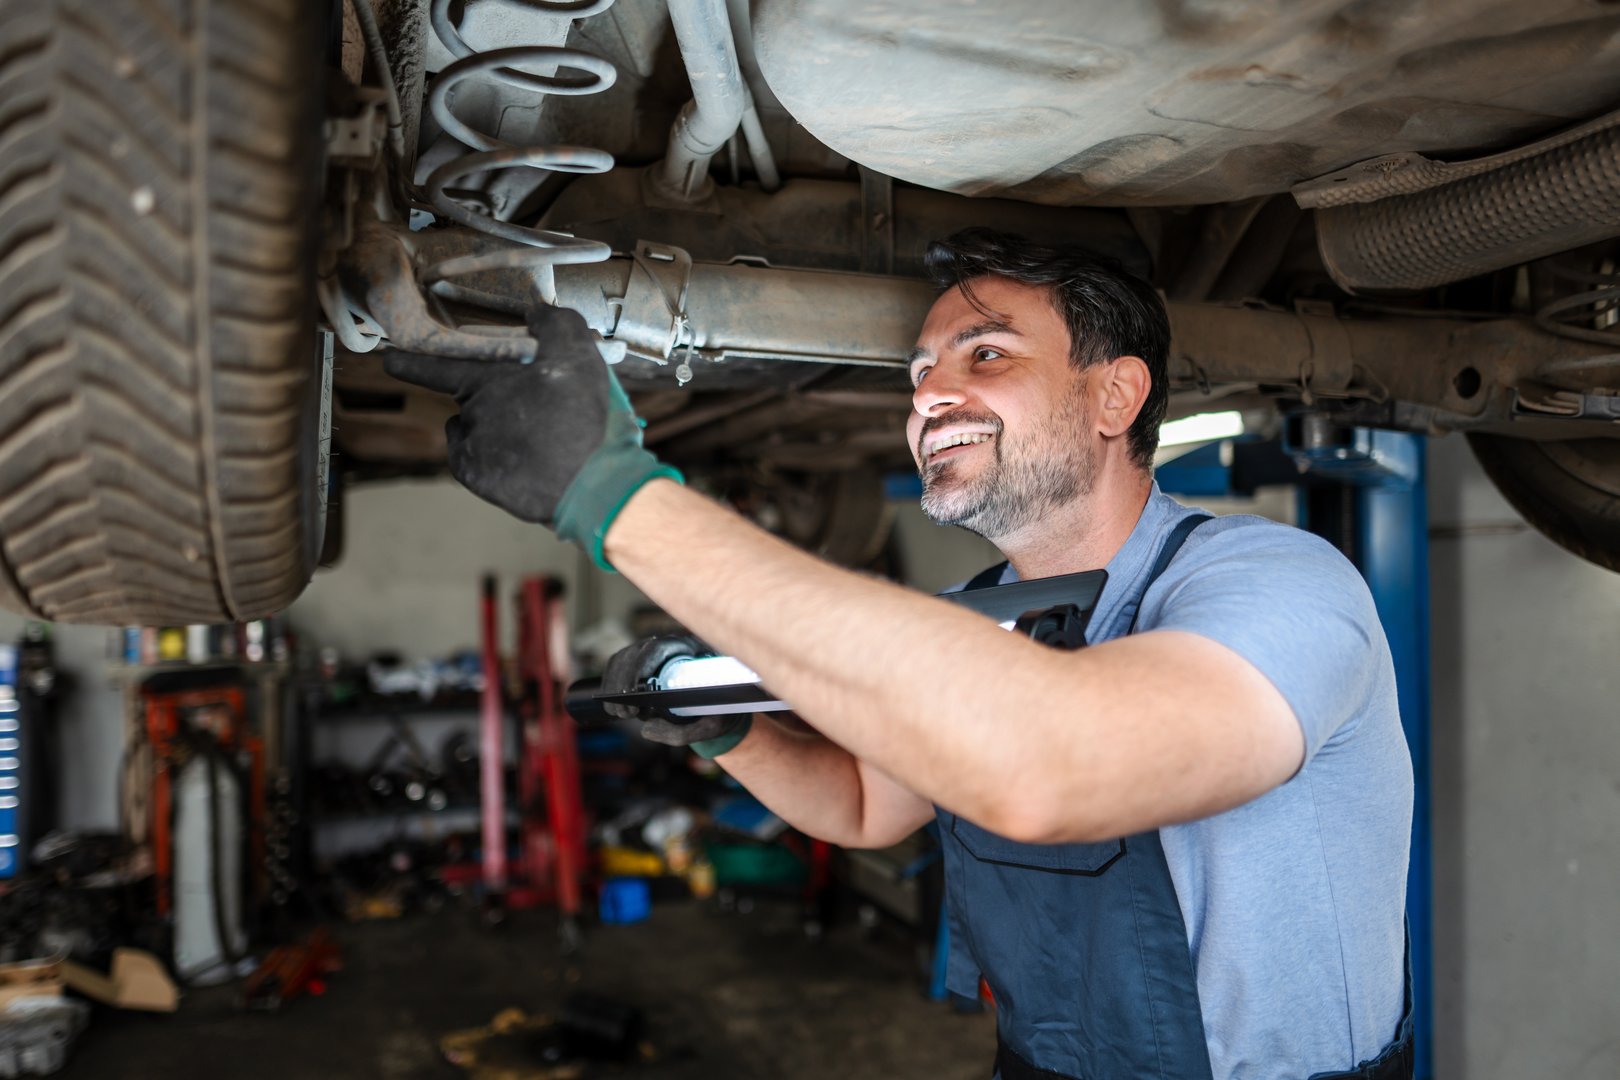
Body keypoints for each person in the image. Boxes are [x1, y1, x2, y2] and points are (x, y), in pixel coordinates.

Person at [386, 228, 1414, 1080]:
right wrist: (730, 732)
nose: (928, 397)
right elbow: (868, 805)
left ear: (1115, 397)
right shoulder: (977, 614)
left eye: (987, 355)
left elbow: (1052, 764)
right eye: (921, 373)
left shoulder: (1280, 584)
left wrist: (616, 498)